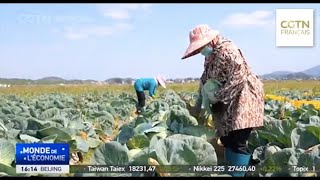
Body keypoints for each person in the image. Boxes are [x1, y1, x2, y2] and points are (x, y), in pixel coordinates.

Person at [181, 24, 264, 177]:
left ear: (211, 40)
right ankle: (232, 170)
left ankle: (239, 174)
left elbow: (237, 79)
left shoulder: (229, 51)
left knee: (238, 139)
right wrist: (200, 102)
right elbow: (205, 78)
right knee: (226, 138)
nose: (200, 51)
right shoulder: (210, 56)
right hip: (224, 100)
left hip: (243, 97)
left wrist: (216, 98)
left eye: (201, 47)